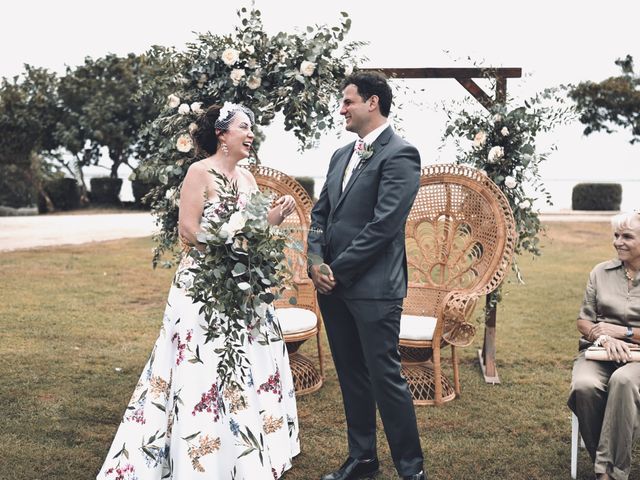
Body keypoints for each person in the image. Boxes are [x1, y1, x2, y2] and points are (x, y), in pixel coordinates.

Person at [97, 103, 300, 479]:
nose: (251, 133)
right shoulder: (199, 172)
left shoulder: (249, 179)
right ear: (222, 134)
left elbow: (254, 233)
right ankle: (198, 454)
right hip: (204, 284)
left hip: (243, 287)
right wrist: (227, 249)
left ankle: (246, 451)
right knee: (202, 363)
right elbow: (187, 230)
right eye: (244, 126)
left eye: (251, 128)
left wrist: (276, 216)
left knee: (248, 362)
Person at [308, 72, 426, 480]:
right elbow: (321, 214)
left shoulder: (402, 154)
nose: (342, 109)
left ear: (372, 103)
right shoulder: (341, 154)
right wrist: (314, 261)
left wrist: (334, 271)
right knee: (351, 377)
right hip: (332, 288)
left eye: (348, 102)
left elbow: (384, 226)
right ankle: (362, 460)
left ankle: (411, 470)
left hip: (374, 290)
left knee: (385, 379)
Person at [568, 211, 640, 480]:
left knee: (622, 381)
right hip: (599, 351)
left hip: (638, 359)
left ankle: (608, 474)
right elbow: (583, 320)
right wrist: (603, 338)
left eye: (627, 236)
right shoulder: (600, 272)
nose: (618, 242)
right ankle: (606, 462)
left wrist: (623, 332)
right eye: (616, 235)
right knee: (584, 385)